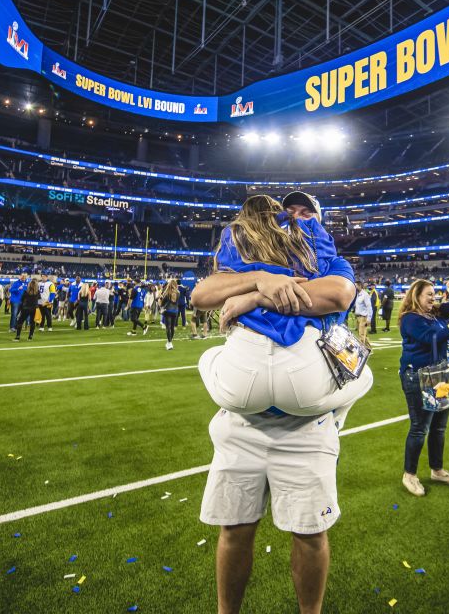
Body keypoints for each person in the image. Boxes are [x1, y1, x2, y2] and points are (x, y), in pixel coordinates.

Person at [192, 192, 365, 614]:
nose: (298, 215)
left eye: (308, 212)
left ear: (319, 223)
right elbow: (203, 292)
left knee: (309, 533)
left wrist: (255, 293)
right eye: (292, 210)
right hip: (248, 424)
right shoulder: (251, 257)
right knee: (233, 529)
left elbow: (339, 293)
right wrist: (258, 279)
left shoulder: (332, 261)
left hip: (299, 427)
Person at [397, 279, 449, 497]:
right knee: (420, 427)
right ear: (416, 296)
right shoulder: (410, 318)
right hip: (418, 377)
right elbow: (431, 338)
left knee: (439, 427)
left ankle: (437, 470)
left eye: (434, 293)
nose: (433, 297)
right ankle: (409, 475)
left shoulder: (434, 313)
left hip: (440, 375)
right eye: (428, 294)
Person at [14, 275, 42, 340]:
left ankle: (18, 336)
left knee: (20, 322)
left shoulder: (26, 292)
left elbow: (22, 300)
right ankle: (30, 336)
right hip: (34, 308)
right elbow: (39, 298)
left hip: (25, 308)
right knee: (32, 322)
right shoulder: (37, 292)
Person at [160, 277, 181, 350]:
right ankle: (169, 342)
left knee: (168, 327)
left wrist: (161, 305)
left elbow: (162, 303)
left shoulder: (167, 292)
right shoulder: (178, 293)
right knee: (172, 327)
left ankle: (169, 343)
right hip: (175, 311)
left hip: (167, 311)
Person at [353, 282, 374, 347]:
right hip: (358, 317)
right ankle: (369, 348)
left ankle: (361, 352)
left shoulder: (365, 295)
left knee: (361, 334)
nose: (354, 286)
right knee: (363, 334)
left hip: (363, 317)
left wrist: (369, 319)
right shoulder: (356, 294)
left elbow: (369, 307)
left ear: (359, 286)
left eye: (355, 285)